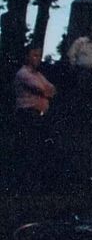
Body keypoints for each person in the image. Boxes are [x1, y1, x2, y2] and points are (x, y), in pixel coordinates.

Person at [10, 46, 57, 189]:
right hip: (28, 113)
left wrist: (47, 91)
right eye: (34, 55)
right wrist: (45, 92)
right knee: (30, 147)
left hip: (39, 114)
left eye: (39, 56)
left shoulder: (39, 75)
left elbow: (51, 88)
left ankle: (35, 179)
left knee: (39, 147)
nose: (37, 59)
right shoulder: (23, 73)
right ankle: (26, 180)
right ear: (27, 57)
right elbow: (40, 88)